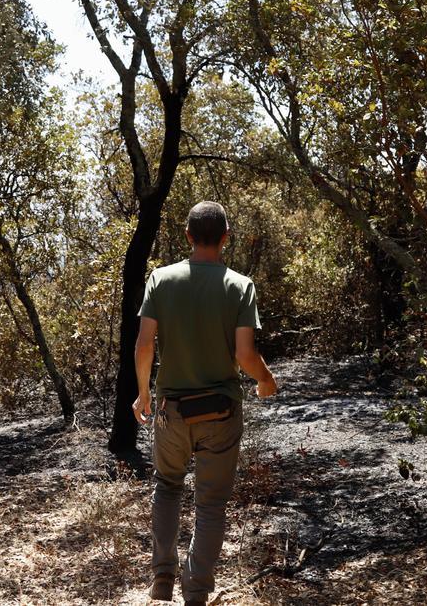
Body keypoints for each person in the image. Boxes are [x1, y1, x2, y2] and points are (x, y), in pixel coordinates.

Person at [132, 200, 279, 606]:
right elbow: (245, 356)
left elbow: (145, 345)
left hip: (171, 412)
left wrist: (144, 394)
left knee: (167, 486)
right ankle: (195, 593)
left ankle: (162, 577)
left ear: (187, 236)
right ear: (226, 238)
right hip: (221, 412)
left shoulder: (161, 280)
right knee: (210, 504)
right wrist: (266, 380)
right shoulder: (240, 285)